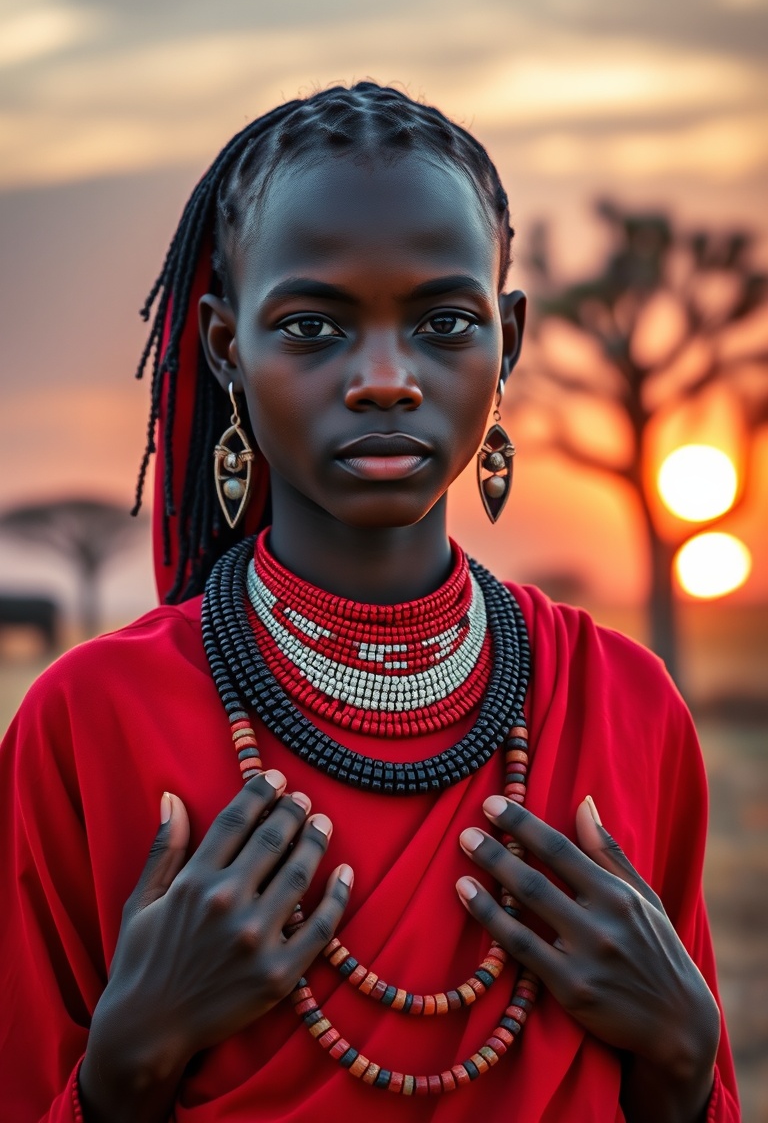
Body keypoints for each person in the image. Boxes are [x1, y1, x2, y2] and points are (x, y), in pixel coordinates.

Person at [0, 82, 739, 1122]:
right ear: (225, 349)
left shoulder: (624, 702)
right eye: (312, 326)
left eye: (445, 320)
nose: (386, 379)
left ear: (508, 342)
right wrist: (128, 1061)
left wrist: (681, 1054)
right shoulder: (89, 720)